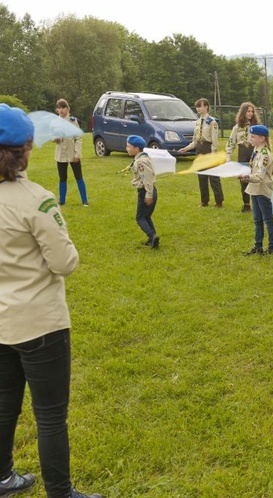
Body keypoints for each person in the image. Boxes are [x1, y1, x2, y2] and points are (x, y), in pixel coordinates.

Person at [0, 104, 102, 498]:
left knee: (5, 406)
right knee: (50, 416)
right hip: (40, 323)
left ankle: (3, 475)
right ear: (24, 151)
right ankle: (60, 492)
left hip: (3, 322)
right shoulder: (36, 199)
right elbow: (65, 262)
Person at [178, 98, 223, 207]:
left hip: (208, 149)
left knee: (213, 177)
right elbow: (195, 140)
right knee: (202, 176)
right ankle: (204, 201)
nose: (198, 108)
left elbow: (214, 140)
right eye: (197, 107)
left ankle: (219, 201)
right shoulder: (197, 122)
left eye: (200, 106)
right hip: (200, 149)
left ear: (206, 107)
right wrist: (186, 148)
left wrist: (213, 154)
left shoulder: (212, 122)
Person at [240, 125, 273, 256]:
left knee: (268, 219)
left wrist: (247, 177)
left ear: (262, 138)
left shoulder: (264, 154)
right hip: (254, 189)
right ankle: (258, 246)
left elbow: (260, 176)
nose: (250, 139)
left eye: (253, 136)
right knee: (257, 220)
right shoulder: (256, 150)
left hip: (262, 190)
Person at [125, 135, 159, 249]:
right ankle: (153, 239)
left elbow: (147, 178)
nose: (127, 148)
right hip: (150, 190)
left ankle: (152, 235)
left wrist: (148, 195)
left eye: (129, 146)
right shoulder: (143, 157)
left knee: (140, 218)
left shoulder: (141, 162)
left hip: (145, 191)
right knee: (146, 216)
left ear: (136, 148)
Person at [226, 102, 260, 213]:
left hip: (253, 152)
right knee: (243, 179)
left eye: (252, 111)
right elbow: (231, 143)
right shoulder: (237, 128)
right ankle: (246, 204)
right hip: (242, 153)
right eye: (248, 111)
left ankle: (258, 203)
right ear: (243, 112)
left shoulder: (256, 127)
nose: (250, 113)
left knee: (255, 177)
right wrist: (228, 158)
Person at [54, 99, 88, 207]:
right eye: (59, 108)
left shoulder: (73, 121)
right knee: (62, 178)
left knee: (79, 177)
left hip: (72, 153)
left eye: (63, 107)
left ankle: (84, 200)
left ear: (68, 109)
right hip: (60, 154)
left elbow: (78, 138)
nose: (61, 110)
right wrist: (56, 139)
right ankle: (62, 201)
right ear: (57, 110)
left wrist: (77, 154)